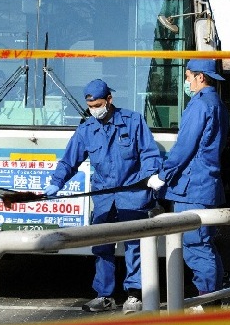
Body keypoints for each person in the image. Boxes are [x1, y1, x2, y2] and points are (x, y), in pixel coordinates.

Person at [45, 79, 162, 313]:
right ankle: (104, 295)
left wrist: (151, 176)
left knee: (134, 246)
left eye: (98, 105)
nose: (94, 110)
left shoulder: (133, 121)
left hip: (133, 195)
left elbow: (149, 153)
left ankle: (134, 295)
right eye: (90, 106)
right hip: (104, 199)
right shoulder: (86, 130)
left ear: (109, 100)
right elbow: (70, 161)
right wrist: (56, 182)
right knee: (101, 246)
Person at [147, 59, 228, 306]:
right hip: (207, 186)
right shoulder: (218, 105)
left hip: (192, 188)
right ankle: (211, 297)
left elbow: (184, 147)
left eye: (189, 76)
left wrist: (162, 175)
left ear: (200, 77)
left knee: (195, 246)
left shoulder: (200, 105)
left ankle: (207, 301)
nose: (186, 81)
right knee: (205, 243)